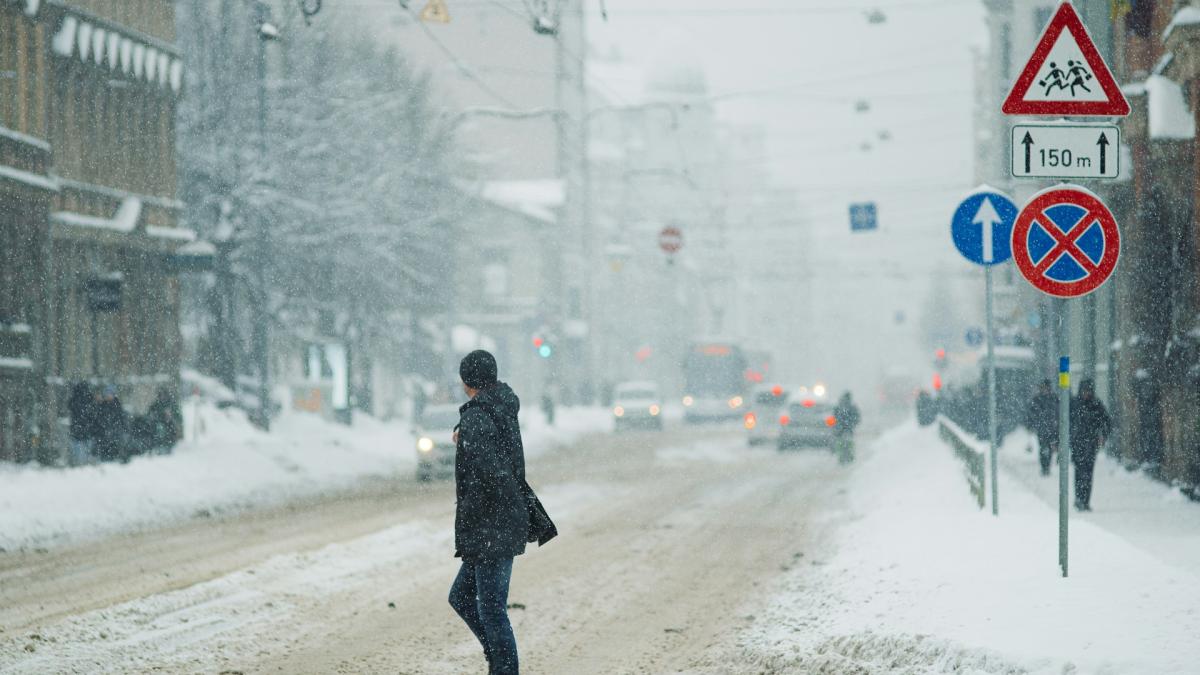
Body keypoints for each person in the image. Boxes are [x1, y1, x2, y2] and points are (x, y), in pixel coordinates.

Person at [448, 350, 530, 675]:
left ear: (468, 381)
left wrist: (478, 517)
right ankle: (498, 658)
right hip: (498, 523)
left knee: (492, 609)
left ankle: (504, 667)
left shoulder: (478, 418)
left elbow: (490, 473)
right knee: (463, 597)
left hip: (490, 527)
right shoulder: (496, 406)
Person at [1069, 378, 1112, 512]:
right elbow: (1067, 422)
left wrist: (1103, 435)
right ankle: (1078, 498)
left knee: (1088, 473)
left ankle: (1085, 500)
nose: (1086, 393)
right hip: (1077, 444)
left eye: (1088, 390)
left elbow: (1107, 422)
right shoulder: (1074, 404)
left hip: (1091, 444)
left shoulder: (1096, 405)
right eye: (1084, 390)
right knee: (1079, 472)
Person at [1025, 380, 1059, 476]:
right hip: (1042, 428)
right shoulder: (1037, 399)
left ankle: (1047, 466)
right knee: (1043, 447)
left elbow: (1058, 412)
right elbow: (1031, 413)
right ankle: (1044, 467)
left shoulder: (1054, 398)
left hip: (1052, 428)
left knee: (1049, 447)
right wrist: (1030, 424)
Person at [93, 385, 130, 463]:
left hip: (115, 434)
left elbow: (122, 419)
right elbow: (98, 420)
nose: (108, 396)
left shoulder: (117, 405)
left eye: (109, 394)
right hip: (104, 435)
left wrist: (124, 430)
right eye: (106, 394)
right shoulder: (102, 406)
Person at [67, 382, 98, 466]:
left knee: (77, 446)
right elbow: (93, 413)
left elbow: (70, 408)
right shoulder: (89, 398)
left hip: (76, 427)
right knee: (87, 446)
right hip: (87, 427)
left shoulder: (74, 399)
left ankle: (78, 462)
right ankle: (87, 462)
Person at [147, 387, 183, 454]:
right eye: (160, 395)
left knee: (169, 430)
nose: (162, 397)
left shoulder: (171, 404)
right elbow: (150, 413)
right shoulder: (156, 404)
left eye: (163, 395)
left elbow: (178, 416)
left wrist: (171, 417)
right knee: (158, 429)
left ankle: (168, 446)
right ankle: (158, 446)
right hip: (158, 423)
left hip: (169, 425)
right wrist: (155, 416)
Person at [832, 392, 861, 464]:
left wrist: (837, 426)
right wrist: (852, 424)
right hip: (848, 429)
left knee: (841, 444)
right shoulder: (852, 407)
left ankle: (842, 458)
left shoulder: (839, 406)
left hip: (840, 430)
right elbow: (857, 418)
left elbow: (835, 417)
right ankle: (849, 457)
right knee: (848, 443)